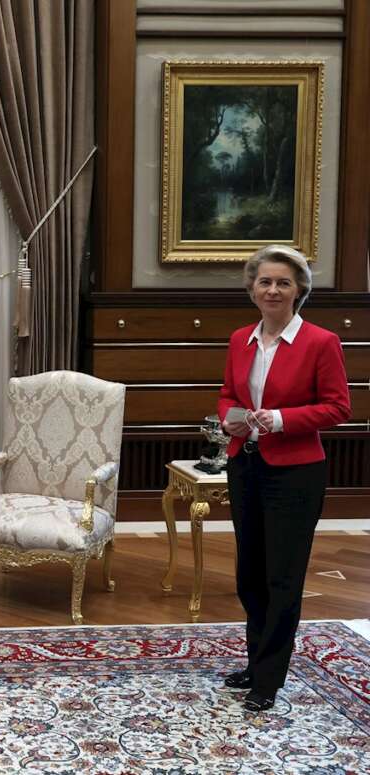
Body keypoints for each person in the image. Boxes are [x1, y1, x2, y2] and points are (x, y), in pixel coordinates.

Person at [218, 244, 350, 712]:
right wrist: (230, 417)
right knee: (249, 575)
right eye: (265, 281)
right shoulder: (239, 339)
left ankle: (269, 680)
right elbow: (229, 394)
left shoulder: (320, 342)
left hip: (295, 473)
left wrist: (280, 419)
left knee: (282, 578)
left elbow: (338, 408)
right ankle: (256, 662)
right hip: (246, 464)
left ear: (299, 291)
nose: (273, 289)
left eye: (283, 282)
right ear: (252, 289)